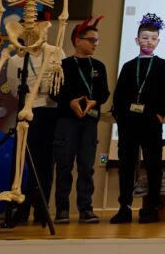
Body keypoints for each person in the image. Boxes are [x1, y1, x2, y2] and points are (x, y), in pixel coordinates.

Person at [110, 13, 165, 224]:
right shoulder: (129, 66)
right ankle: (124, 207)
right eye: (145, 38)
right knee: (126, 165)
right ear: (137, 40)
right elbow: (119, 95)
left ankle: (151, 207)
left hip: (151, 123)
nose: (149, 41)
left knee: (153, 164)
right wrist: (120, 117)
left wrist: (159, 114)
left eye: (153, 38)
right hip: (128, 124)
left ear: (158, 42)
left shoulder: (162, 65)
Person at [52, 16, 110, 224]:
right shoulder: (63, 65)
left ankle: (86, 208)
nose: (95, 44)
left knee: (86, 167)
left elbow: (104, 93)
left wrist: (94, 102)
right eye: (92, 40)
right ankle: (62, 209)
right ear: (78, 40)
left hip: (89, 122)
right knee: (64, 166)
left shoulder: (99, 66)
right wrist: (70, 102)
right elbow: (54, 91)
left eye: (97, 40)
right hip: (66, 122)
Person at [6, 48, 57, 225]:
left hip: (51, 110)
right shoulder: (15, 60)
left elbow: (61, 81)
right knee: (24, 160)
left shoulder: (56, 52)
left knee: (47, 161)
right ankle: (21, 208)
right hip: (28, 109)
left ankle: (42, 209)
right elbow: (14, 88)